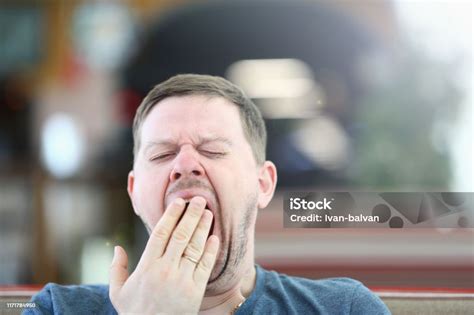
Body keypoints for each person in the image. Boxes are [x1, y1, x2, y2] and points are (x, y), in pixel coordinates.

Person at [26, 74, 390, 314]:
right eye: (162, 154)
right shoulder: (55, 309)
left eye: (213, 150)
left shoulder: (344, 309)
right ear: (135, 193)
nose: (185, 164)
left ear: (263, 184)